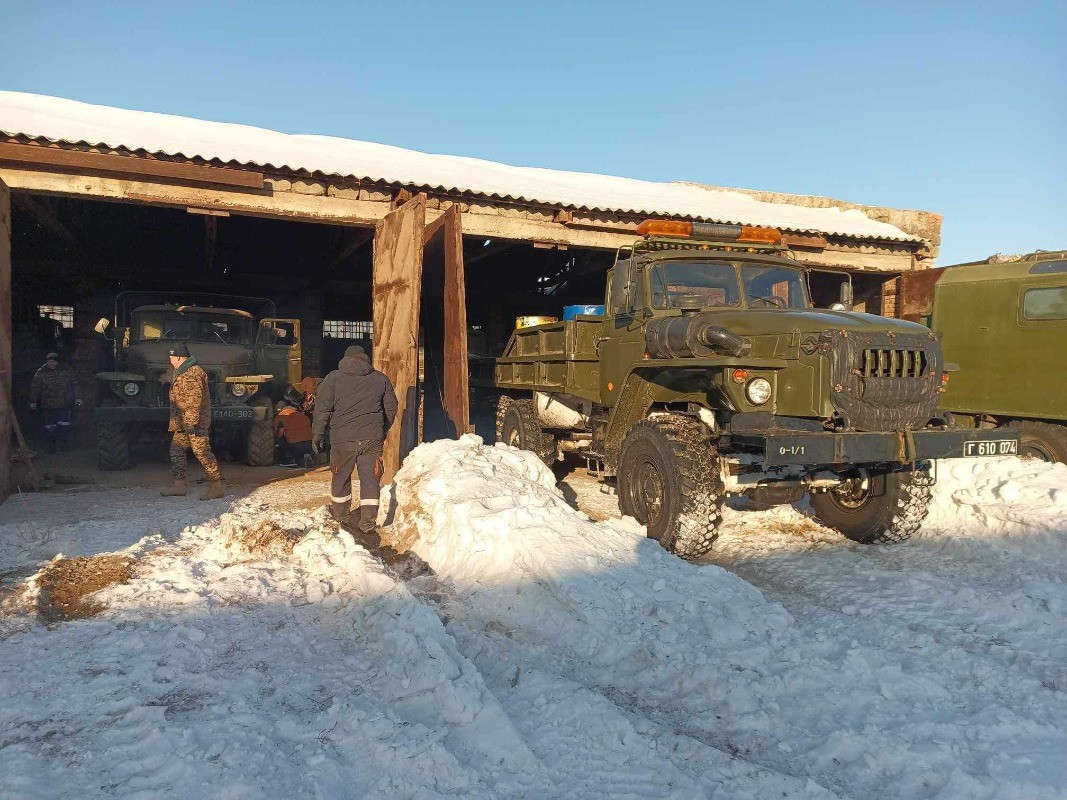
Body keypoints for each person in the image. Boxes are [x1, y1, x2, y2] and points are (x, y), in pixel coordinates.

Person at [313, 345, 397, 532]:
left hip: (342, 439)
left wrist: (317, 435)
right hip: (371, 439)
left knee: (341, 477)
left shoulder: (333, 379)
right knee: (370, 479)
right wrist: (381, 430)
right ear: (365, 359)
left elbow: (322, 410)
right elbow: (391, 409)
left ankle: (342, 516)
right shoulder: (380, 379)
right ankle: (368, 522)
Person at [161, 343, 224, 500]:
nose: (170, 360)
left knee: (202, 452)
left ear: (179, 358)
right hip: (183, 422)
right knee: (176, 450)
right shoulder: (183, 372)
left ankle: (216, 486)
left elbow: (195, 400)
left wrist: (190, 422)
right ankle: (179, 485)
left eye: (172, 357)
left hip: (194, 423)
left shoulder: (191, 373)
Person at [29, 352, 77, 453]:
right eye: (49, 362)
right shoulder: (41, 372)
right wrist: (33, 401)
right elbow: (35, 387)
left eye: (53, 361)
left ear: (57, 362)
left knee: (64, 425)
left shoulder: (66, 371)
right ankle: (51, 447)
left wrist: (78, 397)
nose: (51, 364)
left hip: (63, 403)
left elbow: (74, 384)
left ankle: (64, 446)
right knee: (50, 427)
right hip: (48, 404)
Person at [275, 395, 315, 469]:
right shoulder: (303, 415)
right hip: (310, 444)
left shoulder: (281, 416)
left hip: (295, 445)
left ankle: (289, 460)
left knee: (279, 442)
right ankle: (305, 456)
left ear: (279, 409)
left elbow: (280, 434)